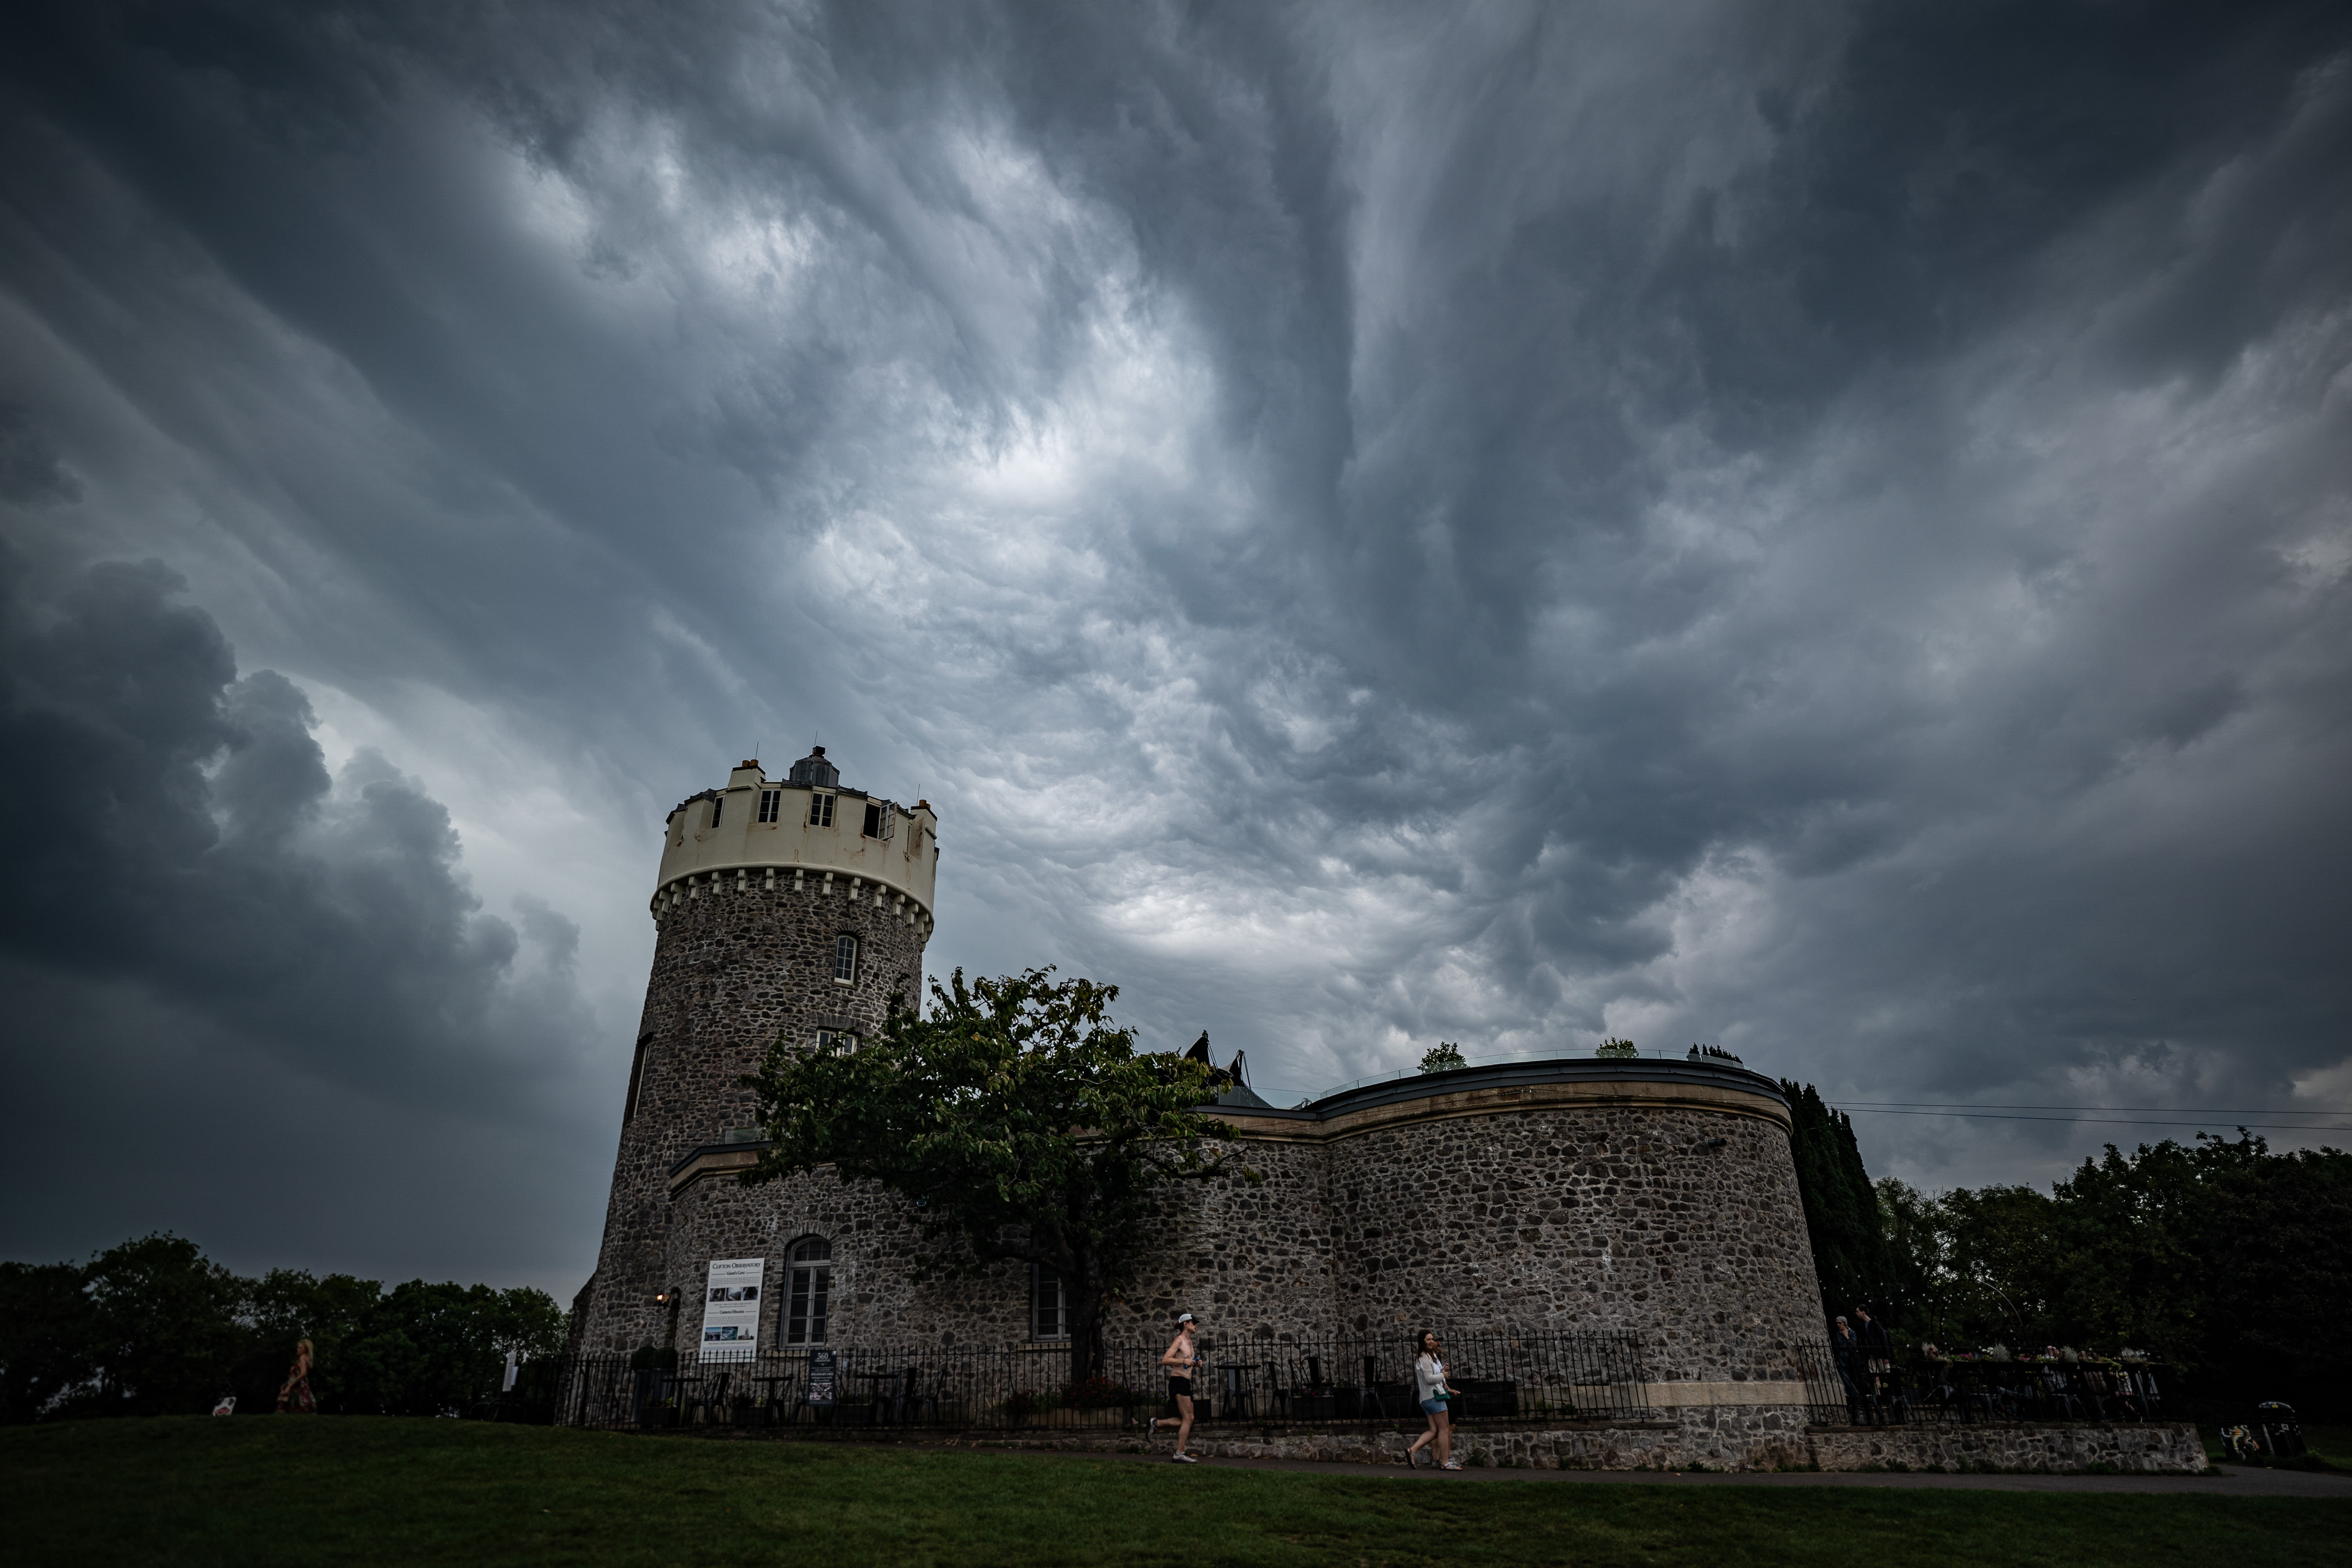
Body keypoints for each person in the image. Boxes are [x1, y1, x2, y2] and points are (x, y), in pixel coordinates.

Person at [1145, 1311, 1203, 1463]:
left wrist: (1196, 1364)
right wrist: (1184, 1360)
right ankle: (1179, 1454)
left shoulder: (1190, 1342)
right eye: (1194, 1323)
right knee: (1188, 1418)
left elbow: (1186, 1364)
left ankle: (1156, 1423)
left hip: (1186, 1382)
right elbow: (1166, 1360)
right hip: (1178, 1381)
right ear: (1186, 1324)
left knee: (1189, 1418)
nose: (1196, 1325)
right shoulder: (1179, 1341)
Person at [1404, 1330, 1460, 1470]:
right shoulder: (1424, 1357)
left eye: (1432, 1339)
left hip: (1427, 1399)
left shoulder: (1429, 1357)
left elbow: (1432, 1373)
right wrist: (1443, 1375)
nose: (1431, 1342)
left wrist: (1442, 1369)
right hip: (1435, 1397)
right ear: (1422, 1341)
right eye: (1428, 1339)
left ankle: (1412, 1451)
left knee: (1434, 1431)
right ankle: (1446, 1462)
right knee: (1444, 1430)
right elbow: (1430, 1380)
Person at [1854, 1306, 1892, 1427]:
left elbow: (1883, 1338)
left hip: (1880, 1353)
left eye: (1858, 1311)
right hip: (1870, 1355)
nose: (1857, 1313)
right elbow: (1862, 1342)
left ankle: (1890, 1396)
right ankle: (1879, 1398)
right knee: (1874, 1376)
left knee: (1886, 1374)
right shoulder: (1861, 1326)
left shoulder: (1875, 1323)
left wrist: (1887, 1355)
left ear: (1863, 1312)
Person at [1831, 1315, 1865, 1425]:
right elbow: (1837, 1347)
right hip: (1842, 1359)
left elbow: (1853, 1347)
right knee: (1846, 1379)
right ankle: (1852, 1398)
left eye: (1840, 1323)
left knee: (1856, 1379)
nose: (1839, 1325)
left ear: (1845, 1323)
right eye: (1837, 1323)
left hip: (1851, 1359)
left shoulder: (1852, 1333)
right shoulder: (1837, 1335)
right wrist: (1837, 1359)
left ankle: (1859, 1397)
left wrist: (1847, 1338)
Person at [276, 1337, 316, 1415]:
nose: (298, 1349)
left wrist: (290, 1386)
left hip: (299, 1387)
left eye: (301, 1348)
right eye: (298, 1347)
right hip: (299, 1385)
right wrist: (287, 1384)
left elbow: (303, 1373)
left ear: (306, 1349)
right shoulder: (305, 1359)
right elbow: (296, 1375)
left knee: (295, 1407)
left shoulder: (303, 1357)